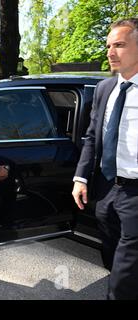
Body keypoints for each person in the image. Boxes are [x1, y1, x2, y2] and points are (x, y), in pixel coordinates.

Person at [72, 18, 138, 300]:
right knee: (112, 254)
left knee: (124, 269)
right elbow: (91, 136)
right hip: (107, 188)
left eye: (119, 45)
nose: (111, 52)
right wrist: (81, 176)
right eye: (109, 45)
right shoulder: (104, 89)